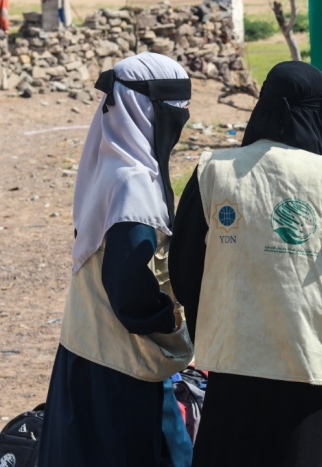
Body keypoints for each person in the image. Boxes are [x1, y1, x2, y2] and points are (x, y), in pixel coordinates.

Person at [169, 61, 322, 467]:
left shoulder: (213, 171)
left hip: (236, 365)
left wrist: (220, 322)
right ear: (318, 112)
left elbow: (183, 269)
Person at [38, 52, 195, 467]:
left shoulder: (108, 163)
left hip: (86, 344)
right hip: (122, 365)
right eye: (177, 109)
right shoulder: (133, 186)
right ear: (150, 110)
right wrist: (174, 322)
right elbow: (131, 292)